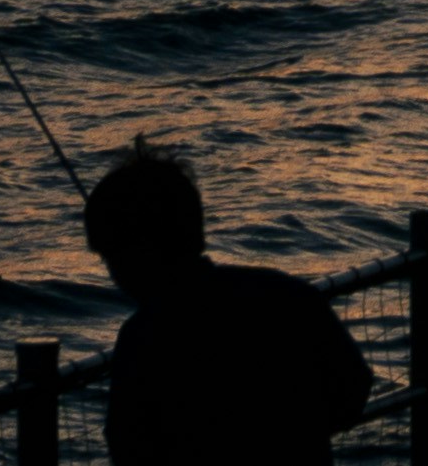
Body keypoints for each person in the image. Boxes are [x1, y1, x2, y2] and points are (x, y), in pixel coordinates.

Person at [79, 142, 375, 465]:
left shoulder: (144, 337)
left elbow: (128, 445)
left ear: (137, 255)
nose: (113, 273)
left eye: (110, 257)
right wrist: (298, 435)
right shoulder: (287, 294)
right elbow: (353, 384)